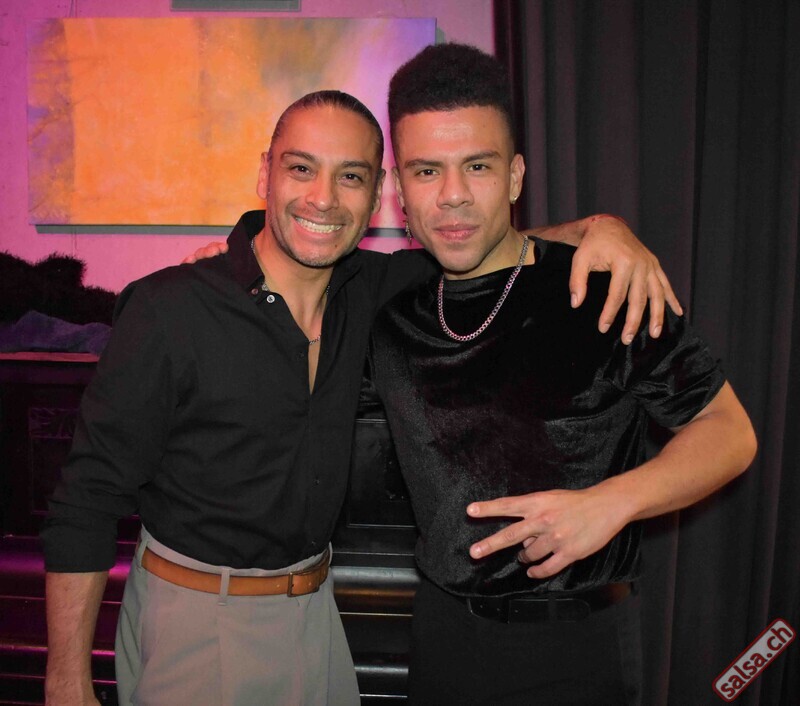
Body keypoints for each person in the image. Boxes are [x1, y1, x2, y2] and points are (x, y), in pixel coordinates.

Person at [41, 87, 679, 705]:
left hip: (317, 618)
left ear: (378, 197)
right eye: (301, 168)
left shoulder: (378, 290)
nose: (323, 197)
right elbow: (85, 500)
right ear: (265, 173)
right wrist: (66, 682)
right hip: (197, 622)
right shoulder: (170, 309)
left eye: (350, 176)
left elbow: (486, 240)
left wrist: (600, 228)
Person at [364, 43, 757, 705]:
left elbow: (731, 431)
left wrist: (611, 503)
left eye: (478, 166)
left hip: (576, 647)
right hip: (441, 641)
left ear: (515, 176)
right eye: (427, 171)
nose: (453, 195)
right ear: (399, 190)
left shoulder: (603, 288)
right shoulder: (392, 318)